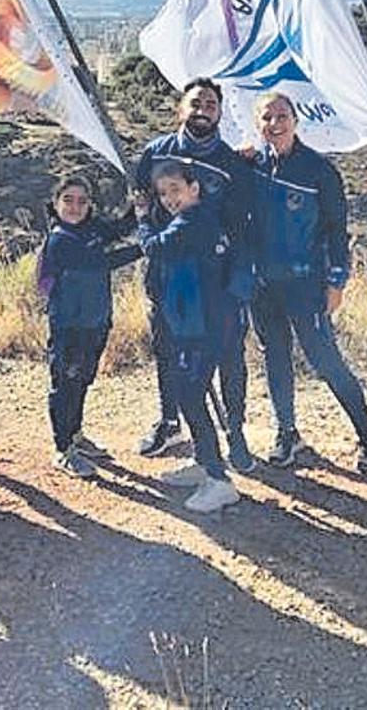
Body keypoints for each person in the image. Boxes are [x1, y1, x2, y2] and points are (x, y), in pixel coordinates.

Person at [249, 92, 367, 475]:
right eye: (267, 117)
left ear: (296, 120)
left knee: (325, 361)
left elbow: (337, 230)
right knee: (275, 358)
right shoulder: (251, 165)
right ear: (257, 124)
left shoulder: (319, 170)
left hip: (305, 284)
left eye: (282, 116)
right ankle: (286, 433)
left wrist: (337, 280)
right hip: (263, 286)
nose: (275, 123)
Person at [135, 78, 256, 473]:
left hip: (217, 282)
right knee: (170, 352)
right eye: (195, 103)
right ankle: (171, 423)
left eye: (210, 104)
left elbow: (243, 223)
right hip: (169, 277)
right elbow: (140, 202)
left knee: (229, 358)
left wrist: (239, 278)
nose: (202, 110)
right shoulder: (156, 153)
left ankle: (234, 432)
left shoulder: (232, 162)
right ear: (180, 109)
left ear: (219, 113)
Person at [136, 162, 240, 513]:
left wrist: (142, 217)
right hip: (195, 325)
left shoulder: (193, 221)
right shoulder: (196, 219)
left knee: (191, 396)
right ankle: (204, 460)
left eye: (175, 189)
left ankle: (218, 480)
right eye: (163, 193)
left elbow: (155, 247)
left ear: (194, 188)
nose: (169, 199)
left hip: (202, 328)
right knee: (189, 394)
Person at [37, 174, 139, 478]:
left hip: (95, 321)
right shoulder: (59, 239)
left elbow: (121, 228)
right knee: (65, 385)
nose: (75, 206)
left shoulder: (92, 229)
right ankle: (63, 448)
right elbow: (100, 262)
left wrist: (138, 205)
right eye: (68, 200)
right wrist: (145, 248)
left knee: (82, 379)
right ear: (56, 203)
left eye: (82, 201)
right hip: (68, 326)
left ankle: (76, 434)